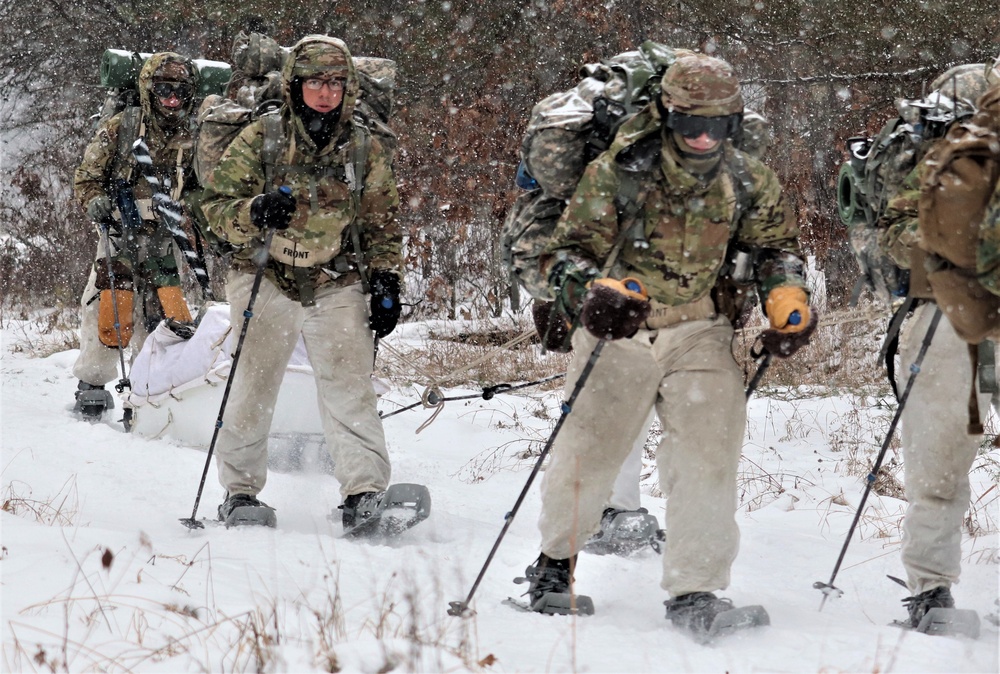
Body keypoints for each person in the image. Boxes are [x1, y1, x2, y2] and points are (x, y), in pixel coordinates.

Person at [517, 53, 815, 633]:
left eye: (718, 125)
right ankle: (555, 562)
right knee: (590, 449)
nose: (703, 137)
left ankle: (695, 590)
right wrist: (592, 292)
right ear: (666, 116)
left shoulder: (748, 178)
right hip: (620, 330)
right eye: (689, 124)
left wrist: (786, 297)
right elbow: (567, 251)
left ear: (734, 123)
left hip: (702, 329)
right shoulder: (619, 171)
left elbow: (777, 246)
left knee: (709, 456)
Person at [200, 35, 409, 531]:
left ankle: (364, 492)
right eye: (315, 81)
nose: (326, 93)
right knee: (254, 383)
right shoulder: (263, 137)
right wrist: (254, 210)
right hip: (264, 274)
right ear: (296, 84)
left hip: (335, 277)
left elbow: (382, 221)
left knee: (350, 386)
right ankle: (241, 491)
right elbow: (214, 210)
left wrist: (386, 281)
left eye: (336, 83)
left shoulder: (363, 145)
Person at [877, 60, 997, 633]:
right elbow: (895, 236)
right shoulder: (933, 165)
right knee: (940, 459)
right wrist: (955, 235)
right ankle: (930, 590)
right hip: (946, 315)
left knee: (939, 458)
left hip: (952, 316)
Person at [73, 53, 200, 421]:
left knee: (166, 312)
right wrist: (95, 199)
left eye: (180, 92)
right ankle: (93, 384)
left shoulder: (193, 135)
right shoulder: (122, 127)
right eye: (164, 90)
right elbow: (87, 175)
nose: (172, 99)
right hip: (118, 232)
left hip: (167, 235)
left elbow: (201, 186)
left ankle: (152, 385)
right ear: (149, 90)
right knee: (109, 305)